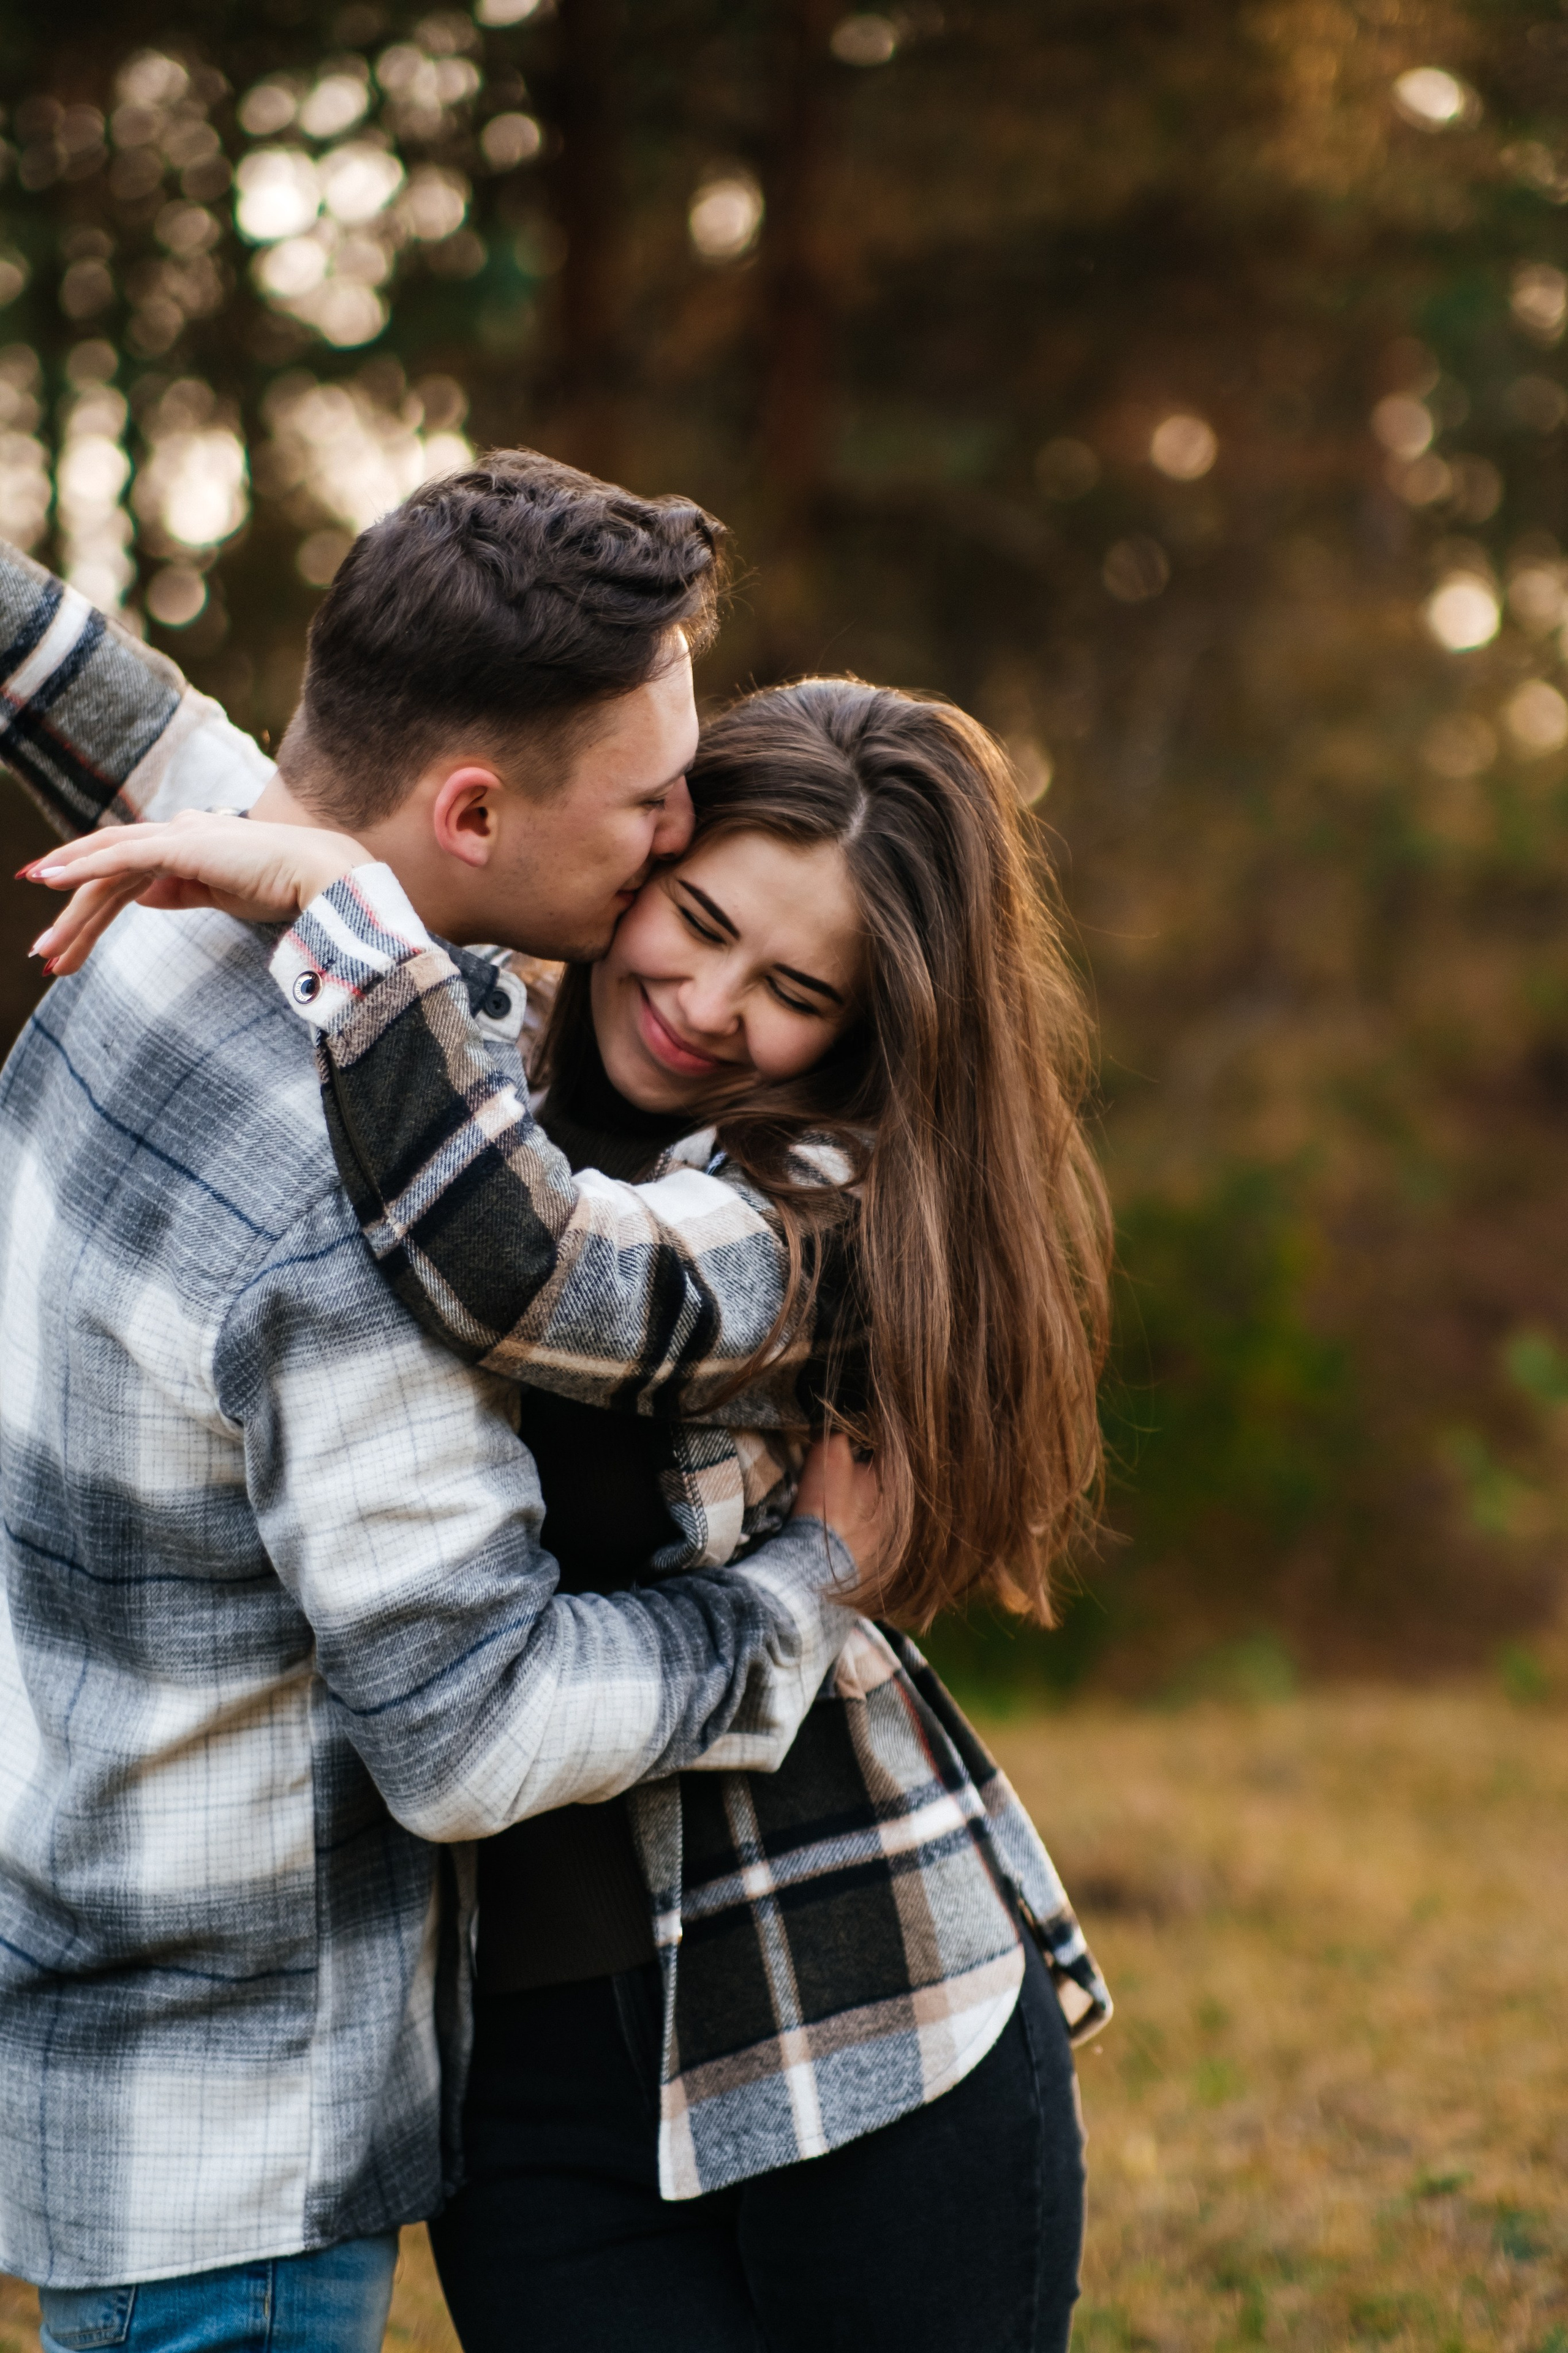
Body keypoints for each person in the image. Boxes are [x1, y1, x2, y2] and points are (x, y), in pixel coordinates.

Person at [32, 660, 1115, 2344]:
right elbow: (202, 749)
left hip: (847, 1999)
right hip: (525, 2055)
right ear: (638, 858)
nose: (710, 999)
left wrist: (336, 905)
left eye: (799, 986)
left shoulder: (812, 1205)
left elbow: (539, 1266)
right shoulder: (471, 1026)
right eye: (696, 914)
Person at [0, 462, 889, 2353]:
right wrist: (800, 1590)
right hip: (245, 2147)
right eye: (655, 805)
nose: (673, 841)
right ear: (473, 812)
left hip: (92, 2019)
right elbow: (470, 1734)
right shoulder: (365, 1206)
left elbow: (139, 723)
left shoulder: (176, 919)